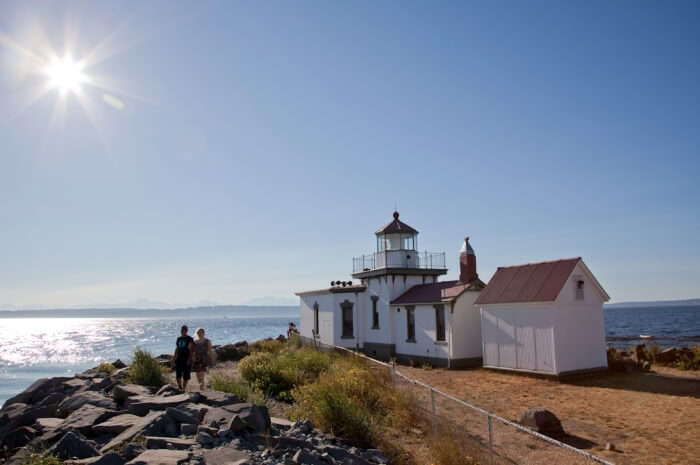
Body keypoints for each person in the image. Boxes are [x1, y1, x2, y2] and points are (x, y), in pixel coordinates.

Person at [173, 325, 194, 391]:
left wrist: (189, 359)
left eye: (184, 330)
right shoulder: (179, 338)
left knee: (186, 375)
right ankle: (180, 387)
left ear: (186, 331)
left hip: (186, 358)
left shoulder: (189, 339)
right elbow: (177, 349)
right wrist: (174, 358)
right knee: (178, 374)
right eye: (182, 330)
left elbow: (191, 350)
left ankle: (184, 388)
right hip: (179, 358)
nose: (182, 331)